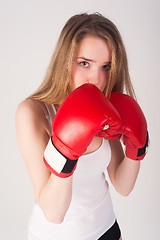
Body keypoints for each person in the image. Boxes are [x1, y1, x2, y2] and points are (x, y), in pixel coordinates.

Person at [15, 12, 149, 240]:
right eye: (85, 63)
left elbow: (122, 185)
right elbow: (54, 212)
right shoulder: (33, 113)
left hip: (106, 227)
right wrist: (66, 148)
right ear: (65, 62)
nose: (95, 79)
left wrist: (138, 148)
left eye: (106, 67)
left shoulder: (105, 109)